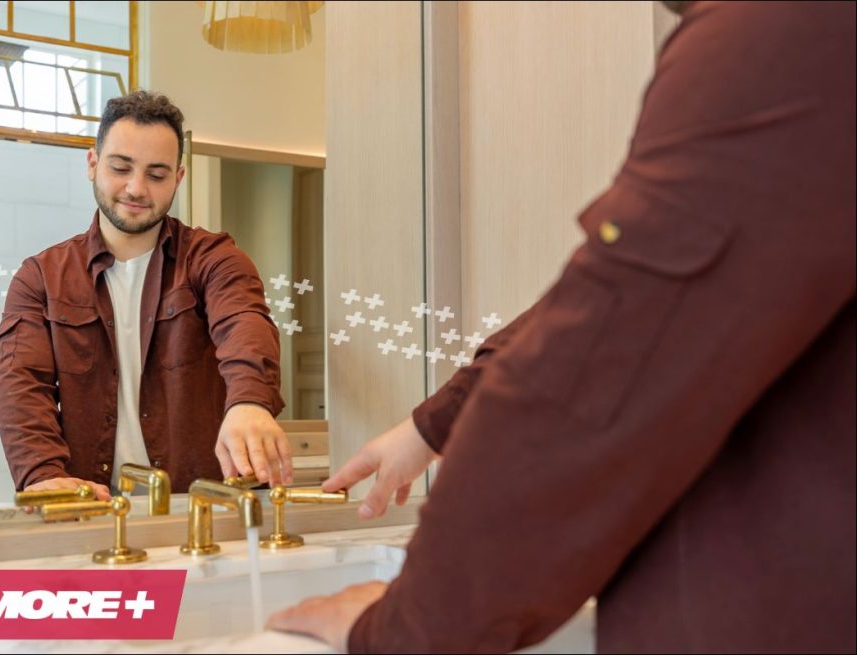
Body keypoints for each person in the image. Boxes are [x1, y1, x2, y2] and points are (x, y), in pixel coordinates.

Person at [270, 2, 855, 652]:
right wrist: (434, 423)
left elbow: (590, 385)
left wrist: (403, 625)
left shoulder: (783, 30)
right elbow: (644, 312)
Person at [0, 90, 293, 498]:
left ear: (178, 178)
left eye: (156, 175)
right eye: (121, 168)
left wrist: (250, 402)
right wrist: (42, 472)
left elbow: (243, 321)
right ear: (93, 163)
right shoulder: (40, 278)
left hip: (200, 504)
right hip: (91, 504)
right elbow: (22, 383)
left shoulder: (214, 258)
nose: (136, 189)